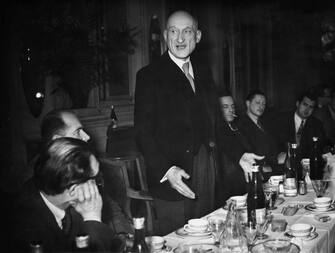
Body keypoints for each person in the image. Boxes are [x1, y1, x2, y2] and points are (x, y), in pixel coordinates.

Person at [134, 10, 219, 235]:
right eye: (173, 31)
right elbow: (142, 133)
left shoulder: (204, 71)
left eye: (187, 31)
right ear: (165, 35)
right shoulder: (148, 76)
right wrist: (168, 170)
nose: (180, 38)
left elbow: (215, 123)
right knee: (177, 242)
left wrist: (240, 154)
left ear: (198, 36)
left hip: (206, 170)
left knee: (207, 237)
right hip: (172, 177)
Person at [19, 109, 133, 238]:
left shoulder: (83, 164)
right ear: (58, 141)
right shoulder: (34, 185)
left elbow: (107, 203)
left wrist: (123, 234)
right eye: (78, 131)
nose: (87, 137)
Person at [8, 137, 123, 252]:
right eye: (96, 179)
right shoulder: (28, 232)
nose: (99, 183)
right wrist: (92, 218)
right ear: (74, 190)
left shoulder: (65, 201)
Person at [216, 89, 264, 207]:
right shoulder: (217, 129)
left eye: (232, 106)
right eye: (225, 107)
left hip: (244, 183)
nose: (231, 110)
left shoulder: (238, 126)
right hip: (227, 188)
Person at [237, 89, 282, 178]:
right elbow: (247, 151)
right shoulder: (240, 125)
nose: (261, 106)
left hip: (272, 170)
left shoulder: (266, 124)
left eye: (263, 104)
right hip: (254, 172)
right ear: (248, 103)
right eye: (258, 102)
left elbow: (273, 147)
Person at [275, 90, 326, 163]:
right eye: (305, 104)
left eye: (311, 107)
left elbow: (318, 148)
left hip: (306, 164)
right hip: (283, 163)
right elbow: (275, 143)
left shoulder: (317, 125)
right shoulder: (281, 120)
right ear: (297, 104)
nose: (307, 109)